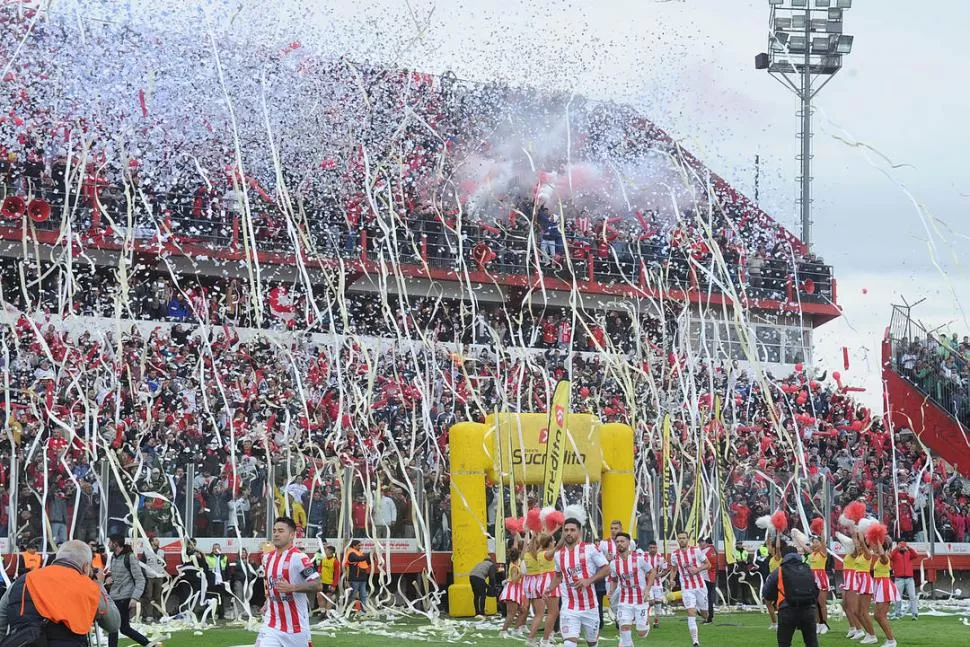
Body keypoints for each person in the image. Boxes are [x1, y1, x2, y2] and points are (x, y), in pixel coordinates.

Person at [0, 540, 121, 647]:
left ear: (57, 558)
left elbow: (1, 620)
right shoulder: (88, 587)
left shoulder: (23, 581)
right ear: (85, 567)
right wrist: (100, 587)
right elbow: (113, 624)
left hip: (24, 641)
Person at [256, 517, 322, 647]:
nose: (276, 534)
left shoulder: (299, 557)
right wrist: (267, 602)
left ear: (292, 535)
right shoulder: (267, 558)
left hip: (295, 627)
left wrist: (292, 587)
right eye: (274, 530)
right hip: (271, 624)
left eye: (281, 531)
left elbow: (318, 584)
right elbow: (271, 585)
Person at [544, 517, 610, 647]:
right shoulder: (558, 555)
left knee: (592, 642)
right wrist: (549, 588)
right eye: (566, 530)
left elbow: (606, 568)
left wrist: (589, 580)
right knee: (569, 643)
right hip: (569, 607)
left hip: (590, 606)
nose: (569, 533)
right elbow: (558, 576)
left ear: (579, 532)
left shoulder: (590, 549)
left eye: (572, 530)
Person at [762, 543, 820, 647]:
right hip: (808, 610)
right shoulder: (807, 569)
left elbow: (766, 592)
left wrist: (775, 598)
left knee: (784, 643)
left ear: (783, 557)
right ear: (797, 554)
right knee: (812, 643)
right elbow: (816, 590)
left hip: (787, 609)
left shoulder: (779, 571)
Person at [608, 532, 654, 647]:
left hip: (640, 599)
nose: (619, 544)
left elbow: (652, 572)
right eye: (617, 542)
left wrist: (647, 589)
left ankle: (645, 624)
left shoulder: (639, 559)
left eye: (622, 541)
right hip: (624, 600)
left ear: (628, 543)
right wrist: (611, 591)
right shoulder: (613, 564)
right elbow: (614, 579)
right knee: (624, 628)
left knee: (641, 632)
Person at [105, 535, 151, 647]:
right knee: (124, 629)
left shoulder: (130, 557)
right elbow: (117, 575)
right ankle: (150, 644)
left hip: (125, 597)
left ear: (115, 544)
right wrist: (109, 579)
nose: (108, 545)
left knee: (113, 626)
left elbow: (140, 579)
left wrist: (134, 598)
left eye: (109, 542)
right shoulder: (113, 557)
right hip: (115, 596)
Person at [668, 531, 711, 647]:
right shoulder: (674, 554)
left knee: (705, 615)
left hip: (700, 586)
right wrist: (672, 580)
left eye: (684, 538)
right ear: (678, 540)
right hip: (686, 588)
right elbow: (673, 569)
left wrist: (697, 570)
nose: (682, 540)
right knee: (690, 612)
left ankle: (699, 609)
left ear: (688, 539)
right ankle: (695, 642)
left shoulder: (696, 551)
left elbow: (708, 564)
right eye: (680, 538)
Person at [851, 529, 878, 645]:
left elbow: (861, 542)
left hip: (865, 581)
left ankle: (872, 635)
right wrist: (853, 528)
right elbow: (856, 541)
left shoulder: (868, 554)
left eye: (861, 544)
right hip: (859, 582)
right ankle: (868, 632)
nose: (858, 545)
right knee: (856, 612)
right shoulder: (859, 554)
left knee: (864, 612)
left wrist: (861, 533)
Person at [871, 537, 899, 647]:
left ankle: (891, 640)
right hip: (880, 586)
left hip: (885, 587)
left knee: (880, 615)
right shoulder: (879, 558)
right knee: (878, 616)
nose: (873, 546)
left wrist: (878, 538)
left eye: (875, 545)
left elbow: (882, 554)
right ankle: (890, 640)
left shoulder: (885, 558)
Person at [596, 520, 623, 630]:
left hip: (623, 576)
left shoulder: (629, 542)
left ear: (621, 529)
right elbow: (597, 558)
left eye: (616, 528)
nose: (613, 530)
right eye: (611, 528)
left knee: (623, 598)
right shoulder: (604, 544)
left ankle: (622, 619)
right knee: (612, 600)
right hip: (609, 578)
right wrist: (605, 559)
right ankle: (618, 617)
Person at [139, 535, 168, 623]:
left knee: (158, 596)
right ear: (151, 542)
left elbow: (164, 564)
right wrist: (145, 575)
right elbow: (142, 564)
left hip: (159, 577)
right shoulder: (146, 552)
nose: (158, 541)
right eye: (156, 540)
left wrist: (163, 573)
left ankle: (157, 615)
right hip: (149, 577)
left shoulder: (161, 552)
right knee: (149, 596)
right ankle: (149, 615)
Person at [889, 540, 920, 620]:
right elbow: (890, 557)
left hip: (909, 578)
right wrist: (896, 549)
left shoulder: (908, 553)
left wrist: (909, 548)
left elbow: (916, 555)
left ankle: (914, 614)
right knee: (898, 597)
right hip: (899, 578)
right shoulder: (895, 553)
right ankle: (897, 613)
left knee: (912, 596)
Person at [498, 548, 525, 638]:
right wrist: (521, 573)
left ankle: (516, 629)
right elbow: (514, 580)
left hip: (517, 590)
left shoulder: (516, 564)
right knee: (511, 614)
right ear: (518, 556)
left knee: (523, 611)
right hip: (512, 590)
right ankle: (503, 631)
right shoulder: (514, 567)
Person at [806, 535, 830, 634]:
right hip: (812, 579)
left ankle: (824, 624)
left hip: (821, 578)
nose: (815, 544)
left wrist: (822, 532)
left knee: (821, 603)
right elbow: (804, 545)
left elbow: (824, 544)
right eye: (814, 542)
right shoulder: (812, 554)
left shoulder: (823, 553)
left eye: (817, 542)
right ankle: (817, 624)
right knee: (814, 603)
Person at [642, 540, 668, 628]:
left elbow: (665, 570)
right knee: (650, 602)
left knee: (658, 602)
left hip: (657, 584)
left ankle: (656, 620)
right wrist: (644, 574)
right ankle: (645, 620)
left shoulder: (661, 557)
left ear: (657, 548)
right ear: (648, 549)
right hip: (647, 584)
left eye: (654, 548)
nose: (652, 549)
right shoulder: (643, 557)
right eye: (651, 548)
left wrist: (658, 575)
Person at [205, 543, 231, 620]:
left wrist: (228, 579)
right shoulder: (208, 557)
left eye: (218, 548)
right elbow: (205, 569)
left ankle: (221, 615)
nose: (216, 550)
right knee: (210, 598)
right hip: (211, 580)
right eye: (214, 548)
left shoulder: (224, 557)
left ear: (220, 549)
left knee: (221, 598)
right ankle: (209, 615)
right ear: (212, 550)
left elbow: (227, 569)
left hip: (221, 581)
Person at [343, 539, 370, 612]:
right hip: (354, 578)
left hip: (362, 578)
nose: (360, 547)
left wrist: (371, 558)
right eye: (359, 545)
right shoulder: (351, 553)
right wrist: (369, 554)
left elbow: (365, 563)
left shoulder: (359, 553)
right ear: (354, 546)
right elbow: (359, 559)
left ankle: (364, 609)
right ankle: (350, 609)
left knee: (363, 595)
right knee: (353, 595)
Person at [314, 545, 339, 617]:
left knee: (329, 597)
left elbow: (337, 574)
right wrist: (319, 573)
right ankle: (323, 612)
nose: (325, 551)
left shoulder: (335, 561)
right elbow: (320, 568)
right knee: (319, 596)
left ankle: (327, 614)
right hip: (322, 582)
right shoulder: (323, 559)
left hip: (330, 583)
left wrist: (334, 585)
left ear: (331, 551)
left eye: (326, 550)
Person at [697, 537, 717, 623]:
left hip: (706, 577)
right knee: (709, 597)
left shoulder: (705, 551)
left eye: (700, 543)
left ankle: (707, 617)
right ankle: (710, 616)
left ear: (705, 542)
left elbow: (699, 562)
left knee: (704, 597)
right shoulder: (713, 550)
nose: (699, 545)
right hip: (711, 576)